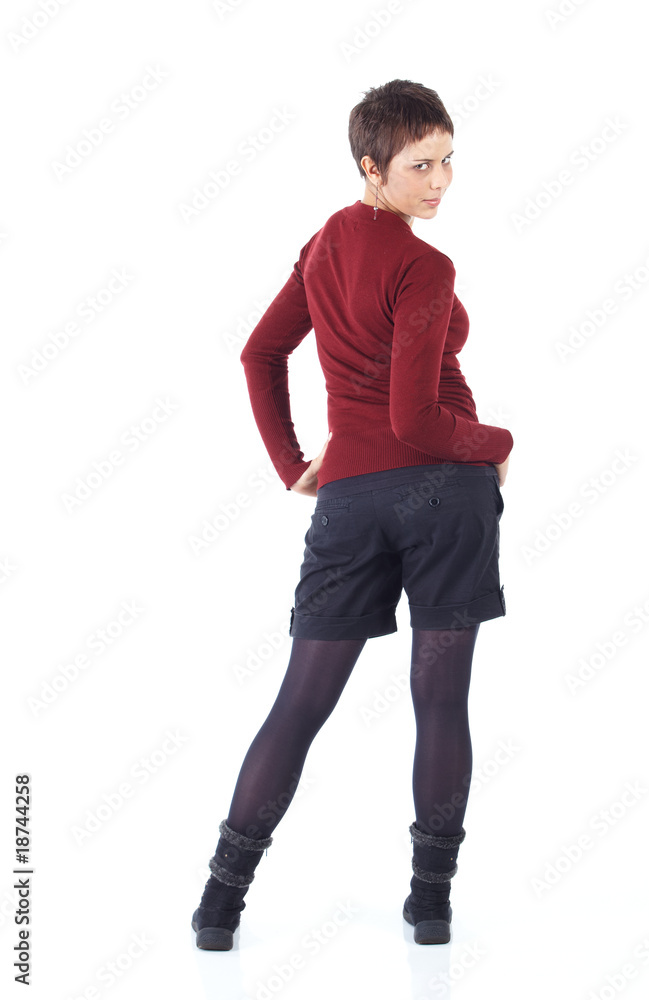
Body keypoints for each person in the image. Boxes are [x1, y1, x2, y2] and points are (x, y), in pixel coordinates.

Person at [191, 78, 513, 951]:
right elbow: (418, 420)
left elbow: (259, 354)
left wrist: (294, 466)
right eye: (419, 166)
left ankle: (219, 907)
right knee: (439, 702)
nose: (440, 181)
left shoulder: (324, 245)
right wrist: (497, 440)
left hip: (350, 502)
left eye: (447, 160)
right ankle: (431, 905)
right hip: (445, 497)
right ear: (371, 167)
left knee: (299, 703)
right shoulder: (424, 266)